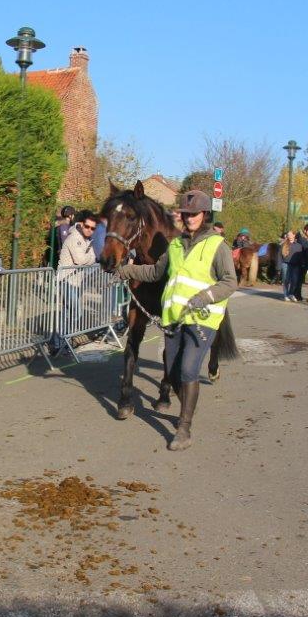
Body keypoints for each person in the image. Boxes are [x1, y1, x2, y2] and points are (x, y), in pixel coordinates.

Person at [115, 190, 237, 451]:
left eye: (193, 214)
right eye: (185, 214)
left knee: (188, 370)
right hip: (174, 319)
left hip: (201, 320)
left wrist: (205, 297)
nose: (188, 218)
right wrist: (126, 270)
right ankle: (184, 411)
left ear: (204, 215)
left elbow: (230, 282)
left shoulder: (218, 246)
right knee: (173, 371)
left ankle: (184, 428)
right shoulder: (176, 246)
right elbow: (156, 271)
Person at [51, 211, 97, 354]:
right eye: (87, 226)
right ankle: (60, 340)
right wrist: (88, 257)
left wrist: (88, 258)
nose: (89, 230)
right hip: (66, 280)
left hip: (77, 281)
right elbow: (80, 260)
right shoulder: (74, 238)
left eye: (92, 228)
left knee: (67, 312)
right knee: (76, 312)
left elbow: (93, 258)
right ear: (82, 225)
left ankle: (59, 342)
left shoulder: (87, 240)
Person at [284, 224, 308, 302]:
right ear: (305, 230)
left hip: (304, 262)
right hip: (300, 262)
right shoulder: (301, 238)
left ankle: (296, 294)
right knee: (298, 279)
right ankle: (296, 294)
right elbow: (306, 246)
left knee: (300, 279)